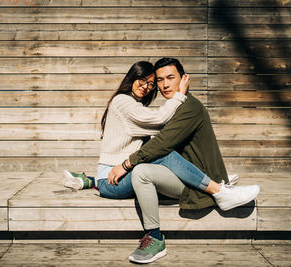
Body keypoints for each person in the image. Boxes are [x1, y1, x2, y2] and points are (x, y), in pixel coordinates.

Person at [106, 58, 260, 264]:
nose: (164, 84)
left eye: (170, 78)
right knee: (148, 159)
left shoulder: (189, 107)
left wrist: (126, 164)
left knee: (142, 170)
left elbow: (162, 144)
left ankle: (155, 236)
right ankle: (219, 183)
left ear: (184, 79)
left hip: (190, 181)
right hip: (183, 174)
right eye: (159, 80)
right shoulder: (176, 106)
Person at [63, 60, 190, 198]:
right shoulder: (123, 101)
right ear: (132, 78)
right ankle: (208, 188)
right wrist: (180, 96)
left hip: (115, 177)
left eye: (151, 84)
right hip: (112, 182)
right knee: (164, 154)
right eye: (142, 80)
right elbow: (159, 119)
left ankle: (90, 181)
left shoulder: (134, 104)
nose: (146, 86)